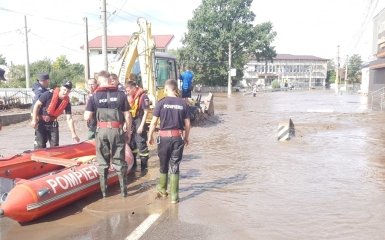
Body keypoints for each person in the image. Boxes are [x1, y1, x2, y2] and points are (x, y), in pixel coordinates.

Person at [84, 70, 132, 198]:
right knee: (119, 160)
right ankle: (124, 192)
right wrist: (128, 132)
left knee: (102, 162)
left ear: (99, 80)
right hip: (117, 130)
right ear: (109, 80)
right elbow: (127, 115)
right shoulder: (121, 94)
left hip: (101, 131)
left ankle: (104, 194)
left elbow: (86, 116)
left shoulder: (94, 96)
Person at [147, 79, 191, 204]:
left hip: (164, 138)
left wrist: (150, 136)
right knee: (175, 165)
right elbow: (188, 124)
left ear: (165, 89)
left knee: (163, 164)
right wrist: (186, 137)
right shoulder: (183, 103)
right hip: (178, 138)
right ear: (176, 89)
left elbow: (154, 122)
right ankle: (174, 197)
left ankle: (162, 190)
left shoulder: (161, 103)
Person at [31, 80, 80, 149]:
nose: (65, 92)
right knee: (40, 145)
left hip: (53, 124)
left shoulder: (67, 102)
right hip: (41, 123)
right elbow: (37, 105)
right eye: (64, 90)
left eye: (68, 91)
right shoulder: (48, 94)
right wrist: (34, 120)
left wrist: (73, 133)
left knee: (55, 146)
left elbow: (69, 118)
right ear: (60, 88)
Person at [126, 80, 150, 171]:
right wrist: (126, 124)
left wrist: (141, 126)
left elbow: (146, 112)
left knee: (141, 143)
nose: (127, 92)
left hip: (140, 119)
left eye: (128, 90)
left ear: (134, 88)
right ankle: (134, 166)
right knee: (131, 143)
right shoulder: (129, 97)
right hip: (132, 120)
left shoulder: (143, 96)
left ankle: (144, 167)